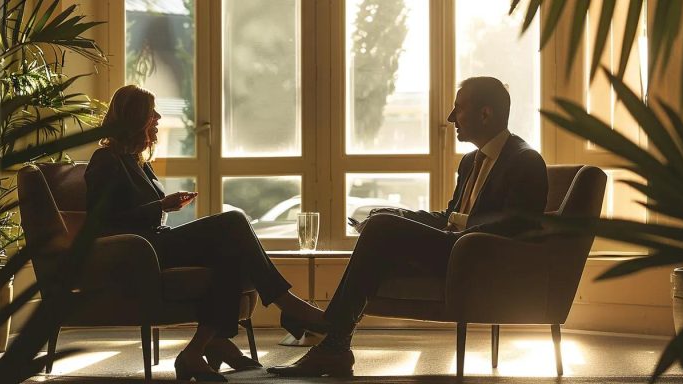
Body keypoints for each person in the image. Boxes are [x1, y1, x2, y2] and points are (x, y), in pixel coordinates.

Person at [268, 77, 549, 377]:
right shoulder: (470, 162)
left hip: (477, 258)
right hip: (453, 248)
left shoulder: (525, 160)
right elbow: (450, 216)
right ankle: (335, 344)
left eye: (458, 108)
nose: (451, 117)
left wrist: (451, 231)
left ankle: (329, 329)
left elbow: (517, 226)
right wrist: (401, 215)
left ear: (485, 114)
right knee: (382, 225)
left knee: (381, 228)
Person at [85, 85, 325, 382]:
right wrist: (160, 205)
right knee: (233, 221)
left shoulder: (136, 162)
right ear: (134, 117)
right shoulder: (104, 160)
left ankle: (197, 350)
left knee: (229, 254)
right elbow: (104, 222)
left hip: (156, 242)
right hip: (140, 250)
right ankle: (286, 304)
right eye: (151, 112)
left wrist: (161, 206)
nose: (158, 117)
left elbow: (142, 207)